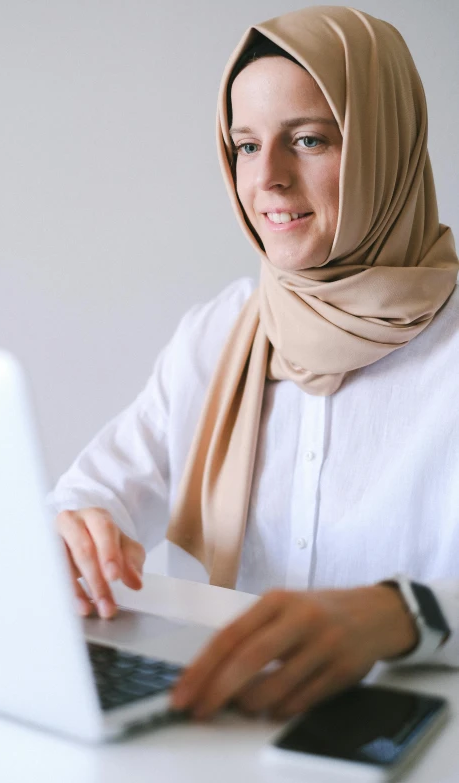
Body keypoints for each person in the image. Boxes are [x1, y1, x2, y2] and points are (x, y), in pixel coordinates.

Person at [48, 6, 459, 721]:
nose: (266, 177)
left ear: (384, 145)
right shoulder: (218, 332)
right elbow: (91, 496)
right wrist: (73, 532)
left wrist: (402, 614)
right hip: (217, 723)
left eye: (308, 139)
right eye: (244, 145)